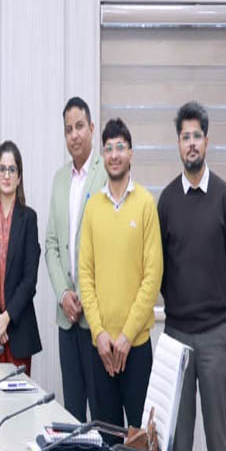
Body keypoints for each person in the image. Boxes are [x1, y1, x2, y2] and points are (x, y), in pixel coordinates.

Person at [159, 101, 226, 451]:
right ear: (178, 144)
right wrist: (181, 306)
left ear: (207, 142)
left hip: (213, 338)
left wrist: (214, 309)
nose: (191, 143)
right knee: (178, 445)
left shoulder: (224, 197)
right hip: (176, 336)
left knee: (216, 444)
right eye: (184, 136)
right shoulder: (167, 200)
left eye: (197, 136)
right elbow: (159, 268)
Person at [78, 118, 162, 431]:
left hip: (136, 346)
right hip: (100, 348)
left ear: (130, 154)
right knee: (107, 441)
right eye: (109, 148)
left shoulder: (145, 204)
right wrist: (99, 333)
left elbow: (152, 277)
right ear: (103, 155)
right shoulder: (93, 208)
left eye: (120, 147)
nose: (114, 154)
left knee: (142, 441)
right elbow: (85, 275)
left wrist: (127, 336)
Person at [44, 96, 107, 422]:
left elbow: (109, 247)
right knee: (72, 412)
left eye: (80, 126)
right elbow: (51, 244)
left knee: (101, 414)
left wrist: (83, 296)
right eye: (68, 129)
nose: (74, 135)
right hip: (66, 317)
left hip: (96, 316)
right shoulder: (59, 179)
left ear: (92, 128)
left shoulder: (106, 173)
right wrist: (63, 294)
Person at [0, 141, 42, 373]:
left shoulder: (29, 219)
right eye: (2, 169)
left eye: (12, 169)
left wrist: (6, 318)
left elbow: (29, 280)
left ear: (19, 177)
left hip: (18, 330)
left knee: (18, 395)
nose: (6, 175)